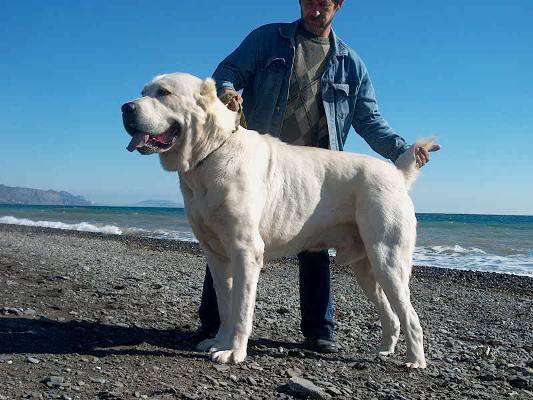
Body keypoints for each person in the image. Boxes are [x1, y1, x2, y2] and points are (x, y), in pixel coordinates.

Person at [196, 0, 439, 353]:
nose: (315, 10)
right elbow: (227, 71)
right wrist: (227, 91)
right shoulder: (267, 39)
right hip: (261, 164)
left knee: (315, 251)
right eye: (309, 2)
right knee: (228, 236)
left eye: (323, 3)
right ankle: (216, 325)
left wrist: (403, 151)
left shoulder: (350, 62)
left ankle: (319, 330)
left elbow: (369, 120)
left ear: (338, 5)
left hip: (318, 172)